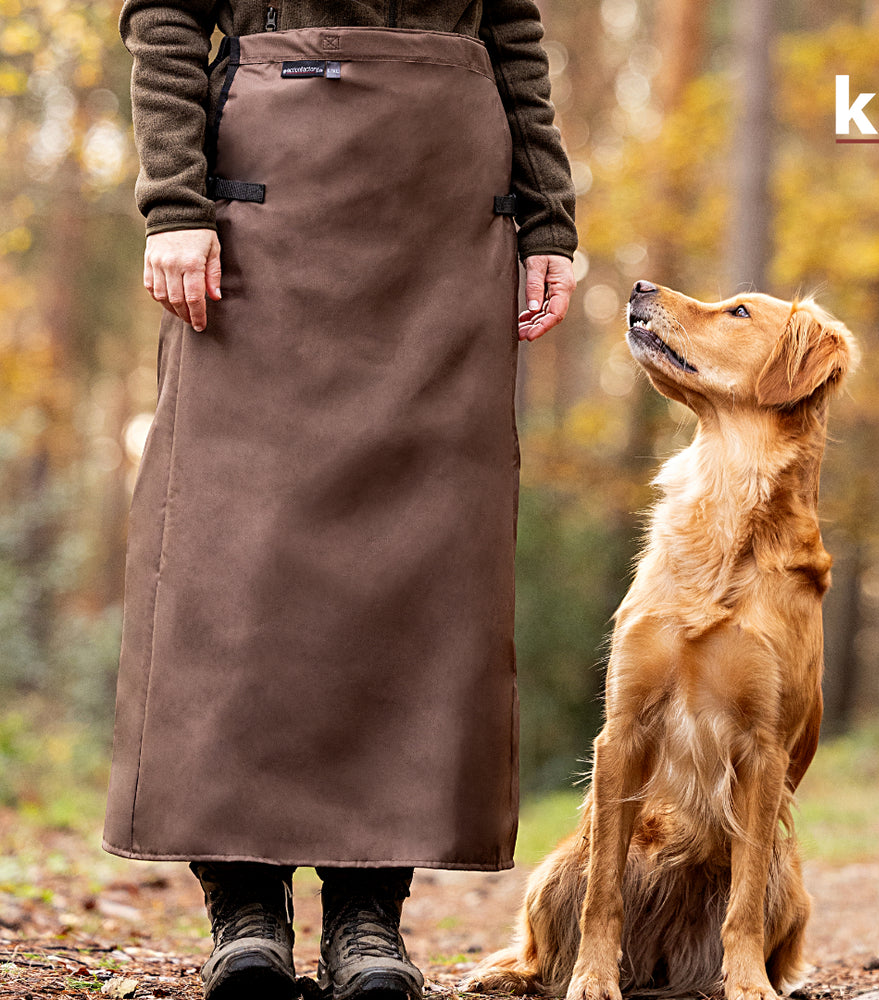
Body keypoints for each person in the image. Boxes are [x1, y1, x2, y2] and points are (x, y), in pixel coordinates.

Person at [103, 2, 577, 1000]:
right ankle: (244, 906)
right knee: (236, 552)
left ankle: (370, 915)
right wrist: (176, 205)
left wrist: (548, 218)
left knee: (416, 561)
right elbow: (168, 19)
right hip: (262, 208)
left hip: (448, 217)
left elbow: (515, 35)